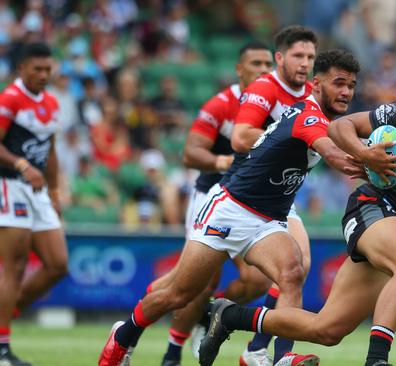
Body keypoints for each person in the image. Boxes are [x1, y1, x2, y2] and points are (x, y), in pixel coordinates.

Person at [199, 70, 396, 366]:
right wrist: (364, 154)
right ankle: (377, 361)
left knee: (327, 329)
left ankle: (229, 316)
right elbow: (341, 127)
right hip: (371, 207)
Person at [99, 48, 361, 366]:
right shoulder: (308, 115)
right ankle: (123, 337)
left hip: (267, 220)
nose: (346, 91)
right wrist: (372, 161)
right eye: (339, 83)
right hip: (231, 210)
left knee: (291, 272)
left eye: (351, 85)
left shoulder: (321, 117)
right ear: (317, 84)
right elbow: (333, 155)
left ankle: (283, 356)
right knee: (180, 293)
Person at [140, 41, 274, 366]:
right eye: (255, 63)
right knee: (197, 282)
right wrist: (222, 162)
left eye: (268, 64)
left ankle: (211, 314)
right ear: (239, 69)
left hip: (252, 202)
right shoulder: (220, 104)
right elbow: (189, 154)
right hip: (212, 197)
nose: (263, 70)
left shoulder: (278, 106)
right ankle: (170, 351)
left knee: (258, 279)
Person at [228, 25, 319, 366]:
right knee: (182, 290)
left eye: (310, 57)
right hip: (239, 194)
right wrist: (288, 137)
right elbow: (240, 137)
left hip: (280, 195)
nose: (305, 63)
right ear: (279, 58)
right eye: (298, 55)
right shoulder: (265, 88)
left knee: (300, 265)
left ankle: (272, 353)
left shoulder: (312, 93)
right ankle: (139, 336)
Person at [0, 42, 68, 366]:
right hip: (9, 185)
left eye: (47, 68)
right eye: (36, 69)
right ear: (21, 69)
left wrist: (55, 193)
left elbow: (50, 151)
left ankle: (4, 314)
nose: (43, 74)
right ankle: (1, 349)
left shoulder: (52, 102)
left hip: (38, 189)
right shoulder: (10, 99)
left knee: (58, 264)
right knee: (13, 268)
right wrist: (21, 165)